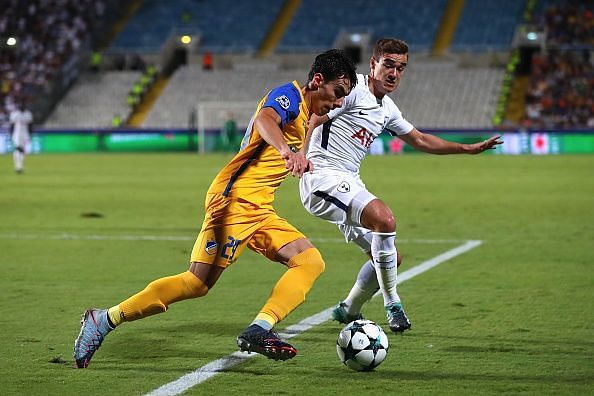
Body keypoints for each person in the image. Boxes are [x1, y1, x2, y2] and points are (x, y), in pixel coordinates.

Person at [73, 49, 357, 368]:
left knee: (309, 261)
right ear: (317, 81)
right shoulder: (288, 96)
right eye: (337, 93)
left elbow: (320, 118)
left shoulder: (310, 114)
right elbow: (265, 119)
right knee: (196, 283)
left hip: (259, 208)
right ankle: (105, 319)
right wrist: (286, 152)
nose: (338, 101)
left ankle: (260, 329)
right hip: (233, 202)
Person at [299, 38, 502, 333]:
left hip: (349, 181)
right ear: (373, 64)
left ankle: (348, 309)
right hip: (323, 177)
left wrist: (466, 149)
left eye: (401, 68)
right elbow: (314, 116)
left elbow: (419, 139)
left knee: (390, 257)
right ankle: (393, 304)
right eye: (389, 65)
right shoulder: (351, 88)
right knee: (385, 218)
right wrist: (301, 155)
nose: (394, 73)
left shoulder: (387, 108)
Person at [9, 101, 33, 174]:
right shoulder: (15, 114)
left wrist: (30, 134)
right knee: (18, 148)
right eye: (20, 105)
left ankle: (20, 166)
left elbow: (30, 125)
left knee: (22, 150)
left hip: (25, 133)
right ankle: (18, 166)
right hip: (17, 133)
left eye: (23, 105)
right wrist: (11, 134)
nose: (22, 107)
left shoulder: (28, 114)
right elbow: (12, 125)